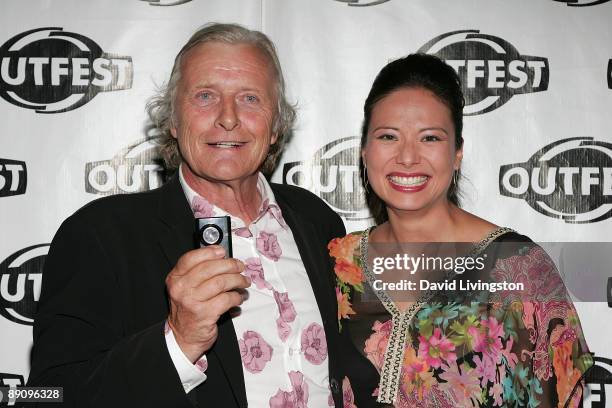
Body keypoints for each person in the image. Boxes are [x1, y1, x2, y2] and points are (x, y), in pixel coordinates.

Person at [27, 23, 346, 407]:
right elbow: (46, 396)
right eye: (205, 95)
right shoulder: (100, 235)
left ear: (275, 125)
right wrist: (177, 342)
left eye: (249, 98)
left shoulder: (317, 220)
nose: (228, 118)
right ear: (173, 120)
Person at [329, 54, 593, 407]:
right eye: (389, 136)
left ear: (457, 154)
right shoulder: (339, 264)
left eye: (430, 138)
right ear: (364, 152)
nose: (408, 157)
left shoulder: (517, 267)